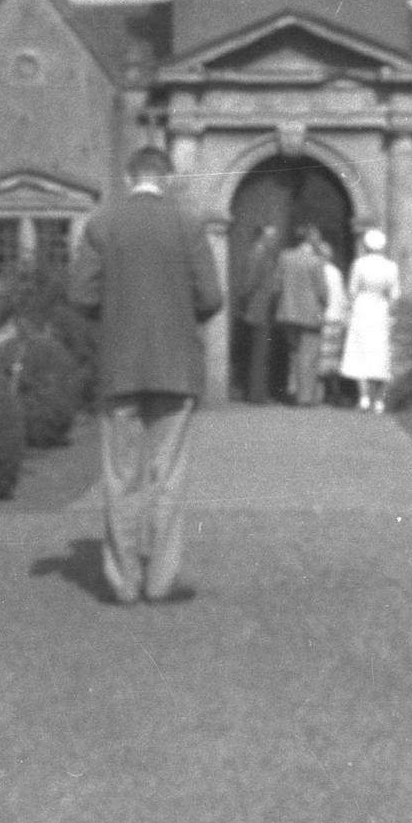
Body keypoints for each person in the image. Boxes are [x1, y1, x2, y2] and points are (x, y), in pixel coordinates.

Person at [68, 143, 223, 605]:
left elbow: (80, 294)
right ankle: (160, 580)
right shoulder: (188, 225)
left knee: (121, 475)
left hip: (119, 366)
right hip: (176, 366)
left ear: (129, 178)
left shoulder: (102, 224)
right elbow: (212, 298)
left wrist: (116, 312)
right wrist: (178, 311)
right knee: (167, 476)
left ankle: (124, 582)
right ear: (168, 178)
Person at [341, 228, 402, 413]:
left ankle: (364, 398)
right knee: (381, 354)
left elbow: (352, 290)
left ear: (366, 246)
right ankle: (379, 401)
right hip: (380, 310)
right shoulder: (391, 266)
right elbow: (395, 295)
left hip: (362, 309)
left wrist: (350, 309)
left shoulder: (360, 264)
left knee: (360, 353)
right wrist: (390, 313)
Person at [277, 223, 331, 406]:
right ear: (309, 239)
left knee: (294, 354)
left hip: (288, 312)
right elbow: (322, 291)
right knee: (308, 355)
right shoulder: (316, 261)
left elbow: (277, 286)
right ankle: (305, 397)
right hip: (310, 314)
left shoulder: (285, 257)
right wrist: (325, 305)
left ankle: (293, 390)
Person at [237, 222, 282, 403]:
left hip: (262, 307)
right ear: (264, 236)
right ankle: (257, 395)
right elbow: (250, 282)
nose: (276, 241)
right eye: (273, 237)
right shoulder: (259, 252)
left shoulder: (263, 252)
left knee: (261, 352)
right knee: (259, 353)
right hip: (258, 308)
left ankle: (258, 393)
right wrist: (246, 301)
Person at [318, 238, 349, 402]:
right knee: (333, 357)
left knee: (323, 356)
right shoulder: (335, 271)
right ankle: (333, 391)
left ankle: (324, 392)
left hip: (325, 317)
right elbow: (341, 297)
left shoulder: (320, 271)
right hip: (336, 317)